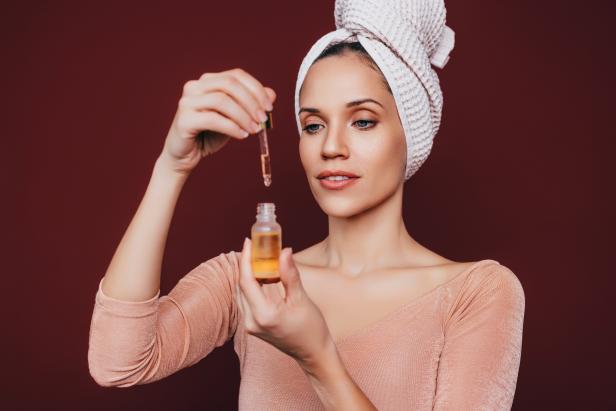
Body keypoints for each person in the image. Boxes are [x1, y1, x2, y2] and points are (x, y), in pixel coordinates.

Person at [88, 0, 525, 409]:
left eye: (364, 121)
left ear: (410, 133)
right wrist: (172, 167)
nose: (331, 146)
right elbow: (118, 362)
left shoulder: (477, 293)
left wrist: (317, 357)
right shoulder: (255, 282)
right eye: (313, 125)